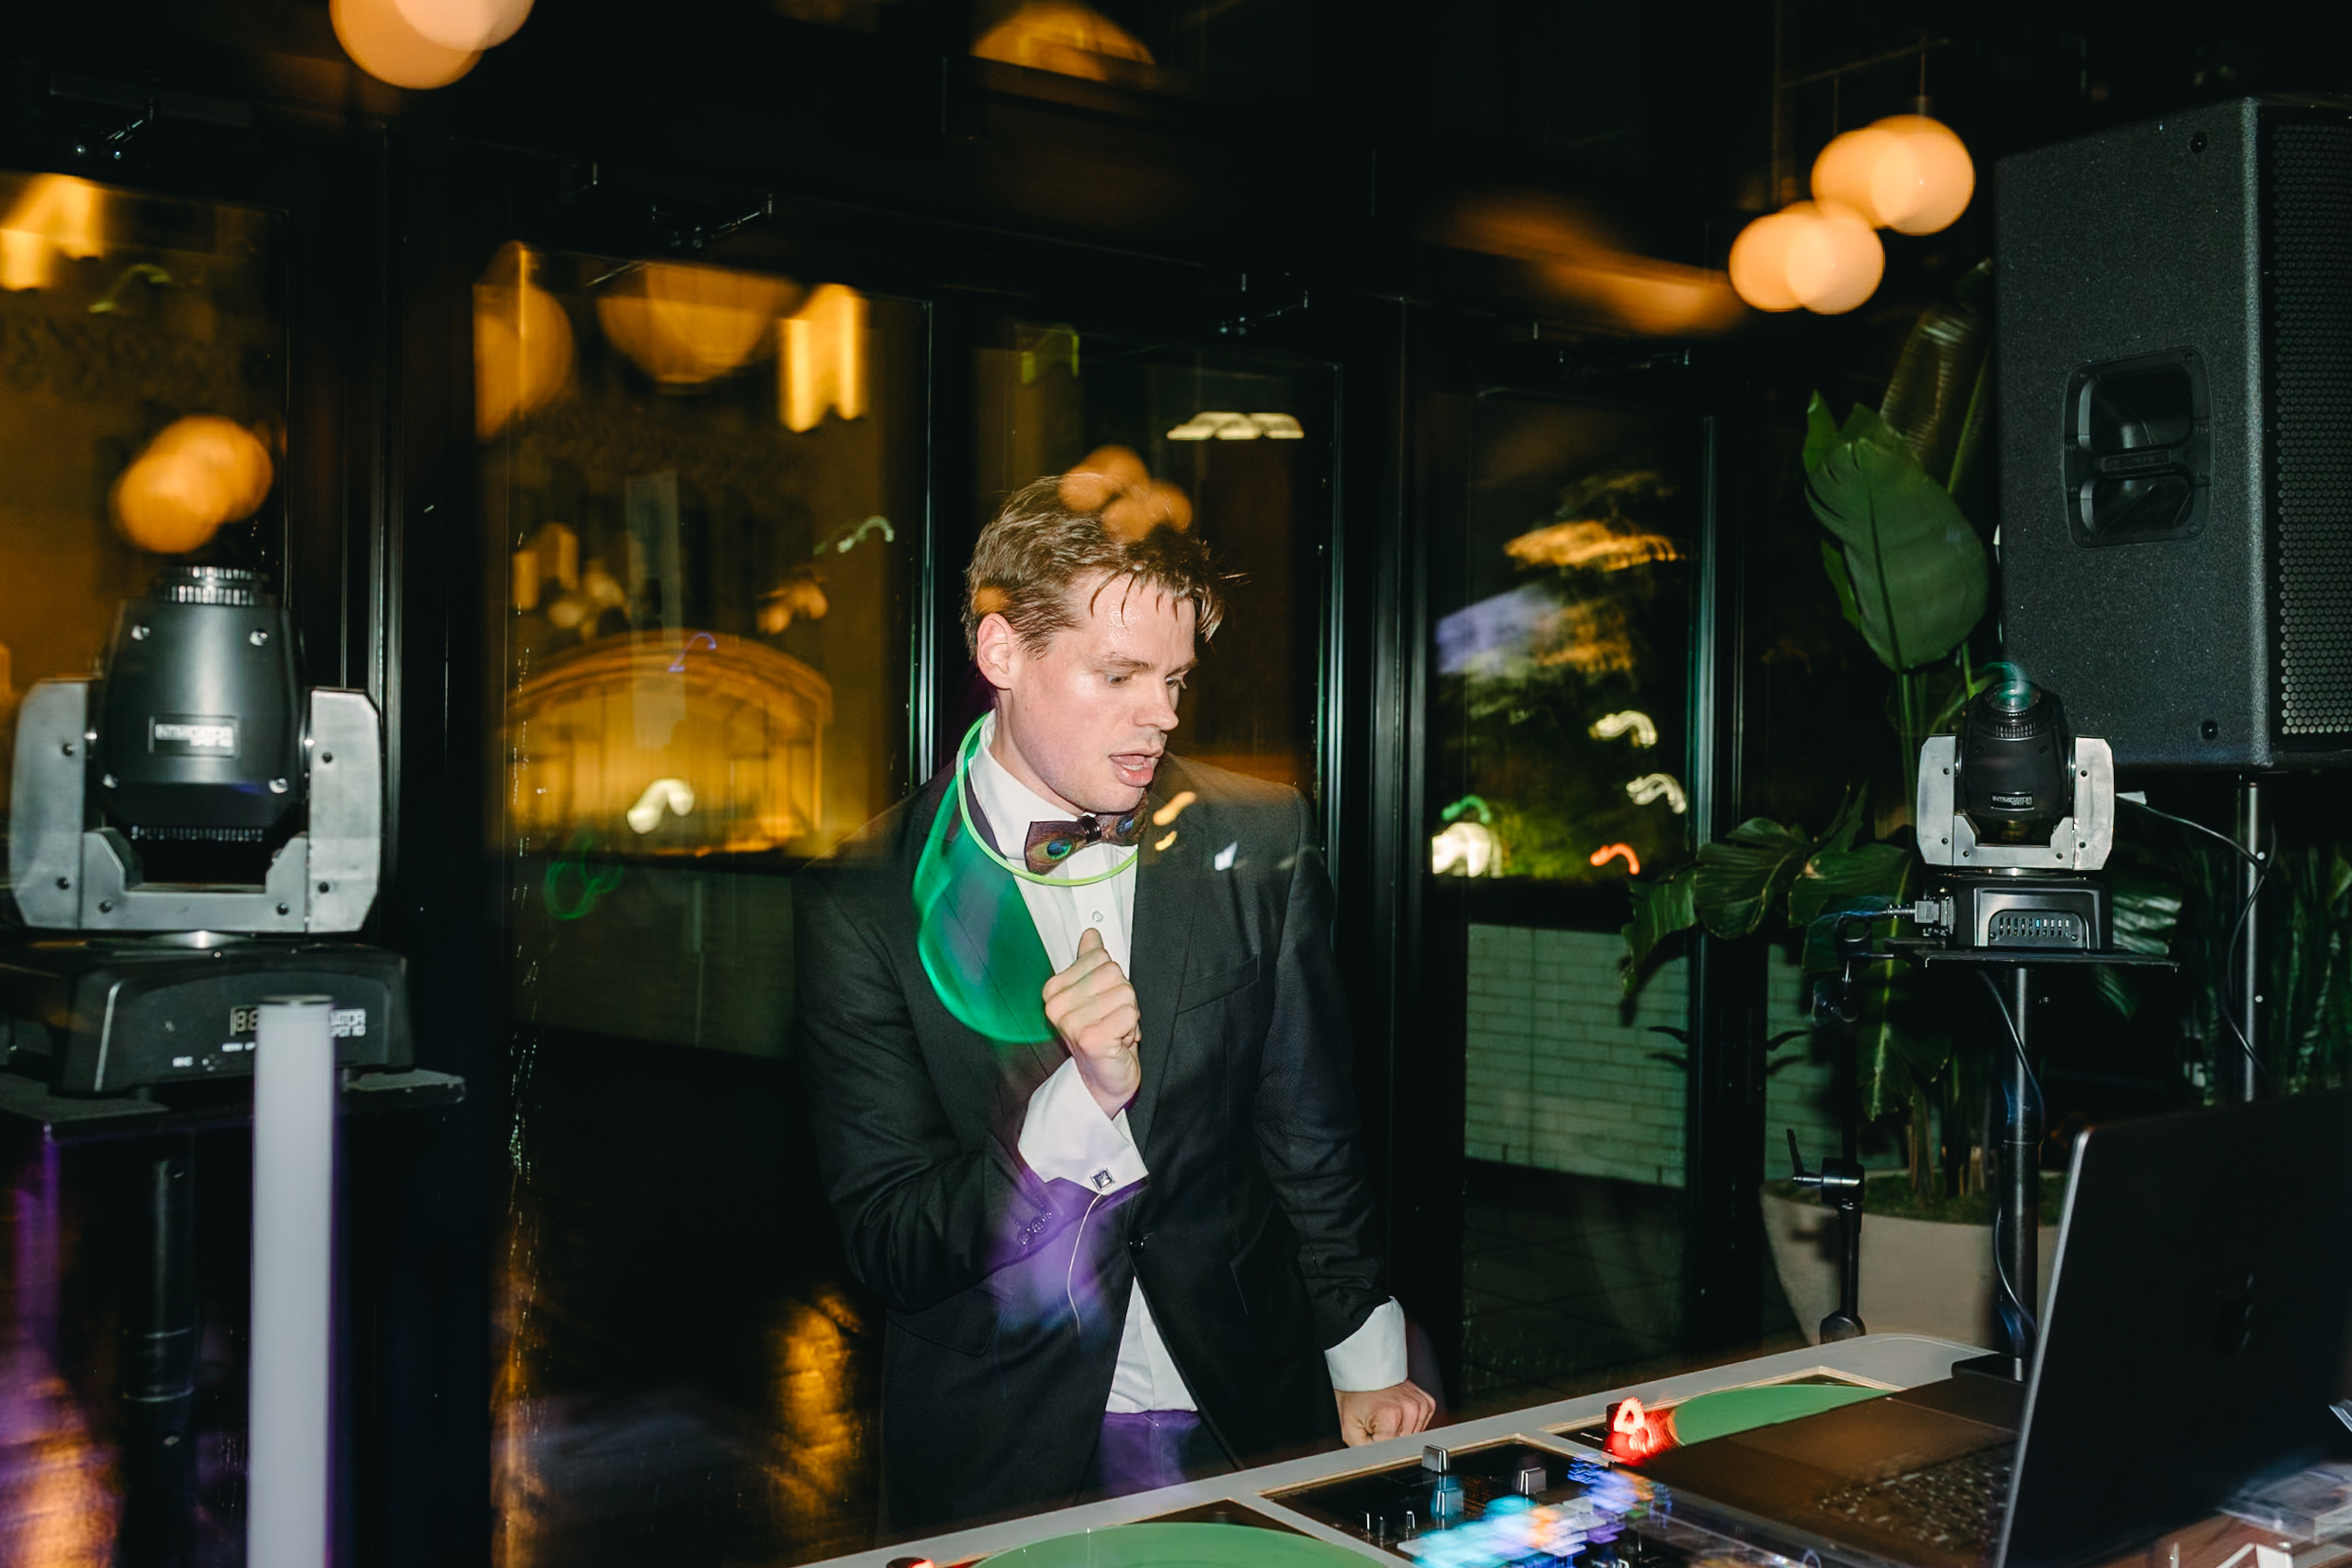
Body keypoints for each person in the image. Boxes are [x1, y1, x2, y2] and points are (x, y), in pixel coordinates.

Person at [796, 470, 1433, 1534]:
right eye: (1120, 674)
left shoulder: (1260, 838)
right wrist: (1072, 1108)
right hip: (1000, 1438)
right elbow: (890, 1240)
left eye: (1176, 679)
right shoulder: (865, 898)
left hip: (1242, 1404)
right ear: (1000, 653)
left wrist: (1365, 1358)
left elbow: (1310, 1132)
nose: (1163, 716)